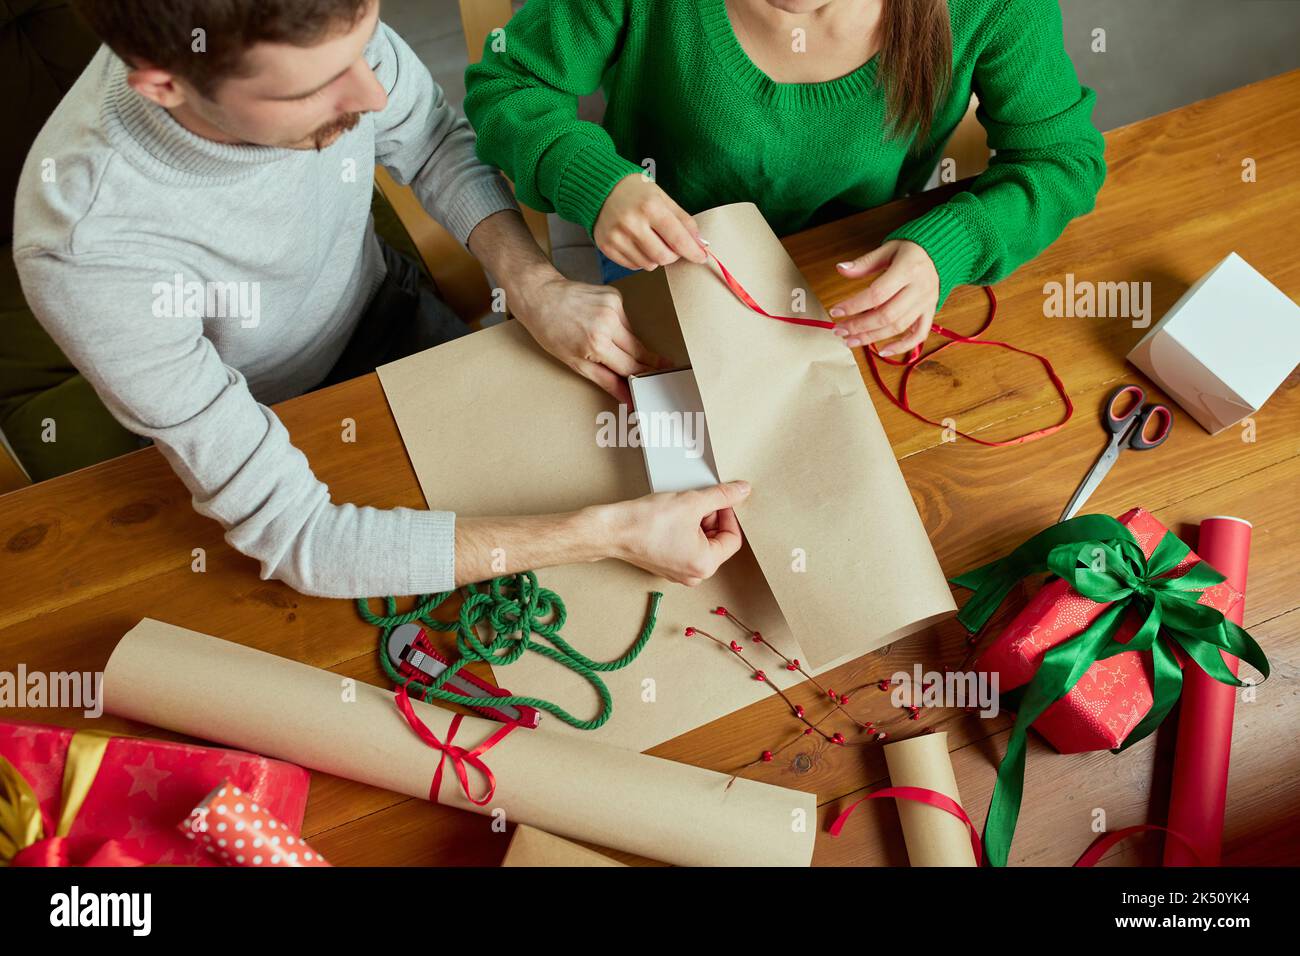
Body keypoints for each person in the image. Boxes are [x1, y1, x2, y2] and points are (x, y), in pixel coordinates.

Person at [12, 0, 749, 597]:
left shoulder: (314, 36)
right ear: (164, 85)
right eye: (313, 89)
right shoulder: (88, 252)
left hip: (382, 307)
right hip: (253, 414)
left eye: (367, 41)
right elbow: (301, 538)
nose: (370, 95)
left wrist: (532, 283)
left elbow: (430, 141)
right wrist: (607, 536)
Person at [465, 0, 1106, 355]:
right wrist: (594, 178)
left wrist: (954, 244)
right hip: (658, 254)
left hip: (857, 278)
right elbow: (510, 83)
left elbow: (1062, 161)